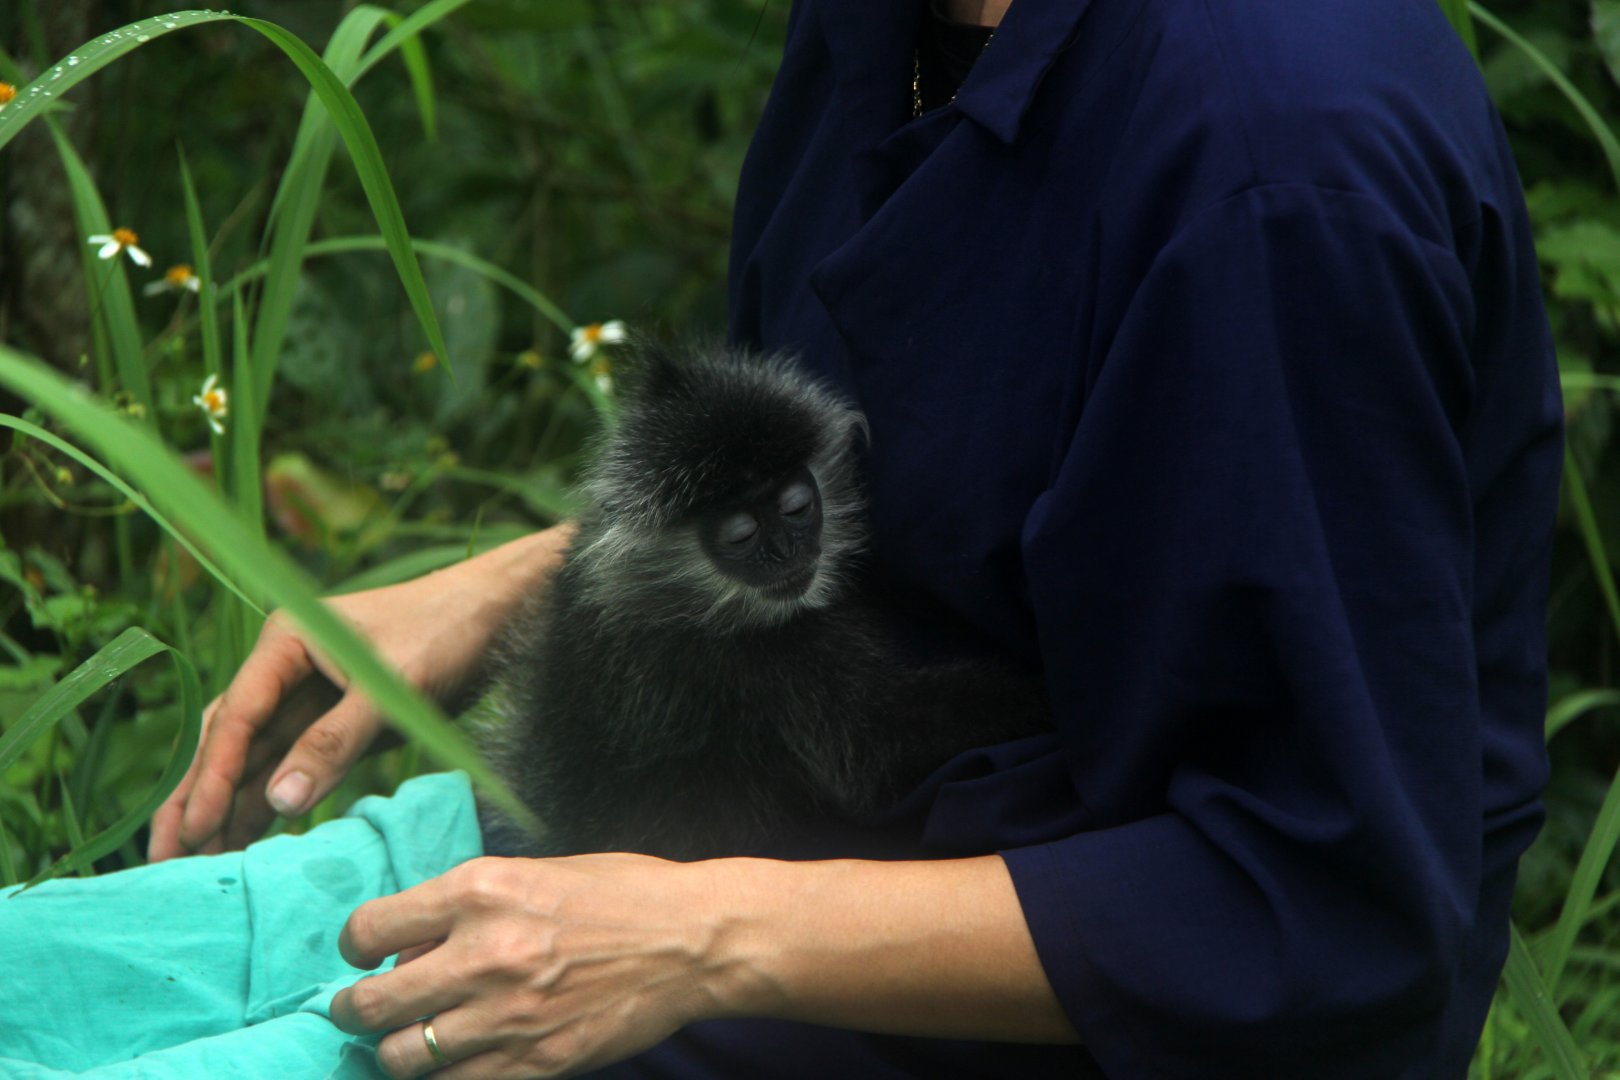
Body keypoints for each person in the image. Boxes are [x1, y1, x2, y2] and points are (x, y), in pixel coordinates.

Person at [10, 0, 1561, 1077]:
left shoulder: (1270, 173)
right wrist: (537, 574)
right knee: (43, 984)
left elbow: (1329, 913)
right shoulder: (891, 32)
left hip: (1001, 1002)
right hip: (724, 834)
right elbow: (905, 480)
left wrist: (693, 939)